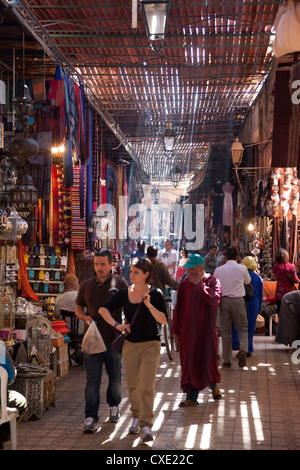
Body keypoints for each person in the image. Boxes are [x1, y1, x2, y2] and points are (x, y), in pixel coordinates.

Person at [99, 258, 167, 443]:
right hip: (130, 345)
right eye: (131, 271)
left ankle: (146, 424)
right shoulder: (124, 293)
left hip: (151, 345)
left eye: (137, 272)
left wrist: (149, 305)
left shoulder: (156, 293)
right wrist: (117, 325)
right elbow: (103, 310)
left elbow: (163, 320)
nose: (132, 274)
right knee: (133, 385)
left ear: (146, 274)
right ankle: (136, 415)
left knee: (147, 386)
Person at [75, 249, 127, 433]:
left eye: (103, 264)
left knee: (115, 378)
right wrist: (85, 317)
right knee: (92, 380)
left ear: (111, 264)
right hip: (92, 340)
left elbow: (127, 309)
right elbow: (78, 308)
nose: (99, 268)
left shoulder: (119, 283)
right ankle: (90, 417)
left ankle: (114, 406)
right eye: (97, 264)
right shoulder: (86, 285)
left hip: (114, 340)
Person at [171, 253, 222, 406]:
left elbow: (214, 301)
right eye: (188, 270)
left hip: (206, 331)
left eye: (192, 270)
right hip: (187, 331)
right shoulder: (185, 284)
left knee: (207, 360)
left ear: (201, 269)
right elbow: (178, 308)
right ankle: (191, 398)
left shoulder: (213, 282)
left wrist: (200, 285)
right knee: (189, 361)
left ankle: (214, 386)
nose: (189, 273)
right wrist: (176, 331)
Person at [214, 247, 251, 368]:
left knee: (225, 331)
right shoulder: (242, 268)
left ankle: (227, 360)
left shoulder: (219, 270)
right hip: (238, 301)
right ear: (237, 257)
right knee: (242, 328)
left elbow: (215, 285)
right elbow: (247, 281)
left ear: (225, 257)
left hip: (224, 301)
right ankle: (243, 350)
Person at [232, 256, 263, 356]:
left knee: (239, 325)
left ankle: (237, 345)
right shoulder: (258, 278)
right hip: (254, 303)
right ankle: (248, 348)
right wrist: (259, 309)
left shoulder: (240, 275)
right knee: (250, 327)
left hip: (242, 301)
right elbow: (261, 294)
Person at [0, 343, 27, 449]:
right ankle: (2, 437)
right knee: (20, 402)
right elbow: (10, 378)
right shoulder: (1, 350)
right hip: (1, 403)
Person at [272, 248, 300, 315]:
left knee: (280, 312)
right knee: (289, 313)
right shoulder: (291, 267)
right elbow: (296, 280)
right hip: (289, 292)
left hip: (279, 293)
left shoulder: (275, 268)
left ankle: (281, 325)